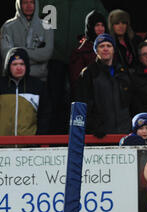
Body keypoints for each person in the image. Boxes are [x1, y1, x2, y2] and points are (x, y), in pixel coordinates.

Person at [38, 0, 108, 134]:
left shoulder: (92, 3)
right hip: (54, 59)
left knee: (79, 99)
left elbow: (102, 22)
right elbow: (37, 23)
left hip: (82, 58)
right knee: (55, 102)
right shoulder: (46, 2)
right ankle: (55, 138)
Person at [75, 33, 134, 138]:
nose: (105, 49)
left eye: (109, 46)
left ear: (114, 49)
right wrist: (94, 127)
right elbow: (83, 104)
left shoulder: (123, 72)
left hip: (125, 132)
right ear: (96, 50)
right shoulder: (88, 73)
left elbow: (131, 102)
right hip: (99, 135)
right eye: (101, 46)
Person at [0, 47, 51, 136]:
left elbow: (45, 116)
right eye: (14, 64)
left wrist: (38, 140)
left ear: (27, 65)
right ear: (8, 66)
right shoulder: (1, 85)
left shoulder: (37, 86)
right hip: (2, 145)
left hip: (30, 146)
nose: (19, 68)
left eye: (22, 64)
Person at [0, 0, 54, 83]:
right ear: (19, 4)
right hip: (13, 81)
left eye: (31, 2)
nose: (29, 6)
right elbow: (6, 54)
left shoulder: (47, 27)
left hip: (39, 79)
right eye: (25, 3)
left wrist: (20, 52)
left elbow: (47, 53)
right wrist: (35, 57)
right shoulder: (8, 27)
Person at [69, 10, 108, 97]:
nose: (100, 28)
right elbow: (77, 81)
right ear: (90, 27)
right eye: (97, 25)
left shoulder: (109, 48)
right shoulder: (80, 52)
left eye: (102, 25)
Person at [108, 9, 143, 75]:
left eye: (124, 23)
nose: (121, 26)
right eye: (117, 23)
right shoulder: (108, 44)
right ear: (112, 26)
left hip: (138, 76)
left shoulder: (136, 40)